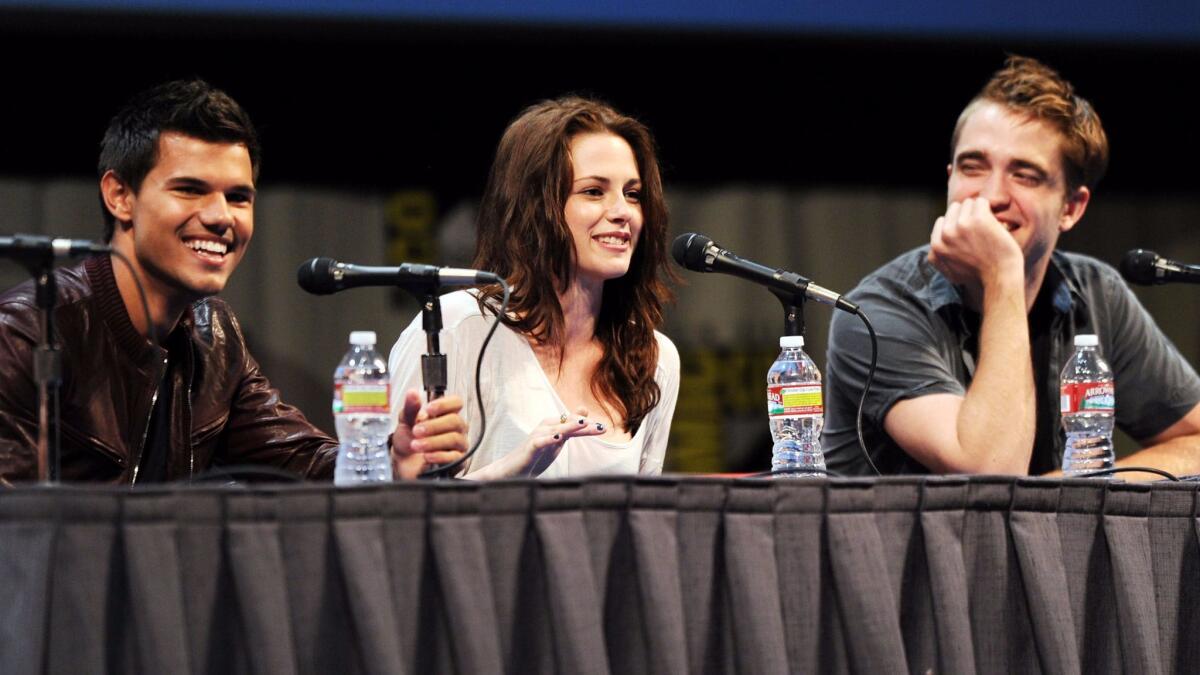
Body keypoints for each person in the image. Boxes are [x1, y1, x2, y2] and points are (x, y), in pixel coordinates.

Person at [0, 79, 466, 484]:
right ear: (120, 196)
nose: (222, 218)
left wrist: (391, 458)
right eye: (190, 189)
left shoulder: (215, 336)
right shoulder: (27, 333)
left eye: (238, 197)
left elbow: (301, 462)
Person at [823, 55, 1200, 478]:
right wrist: (1003, 275)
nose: (990, 194)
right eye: (972, 167)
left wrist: (1078, 486)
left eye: (1024, 175)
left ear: (1071, 208)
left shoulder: (1097, 294)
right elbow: (992, 473)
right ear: (949, 179)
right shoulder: (876, 312)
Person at [389, 96, 680, 479]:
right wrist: (515, 468)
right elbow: (393, 511)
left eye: (633, 193)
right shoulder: (455, 327)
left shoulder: (654, 357)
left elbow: (646, 519)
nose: (623, 211)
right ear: (537, 207)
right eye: (594, 191)